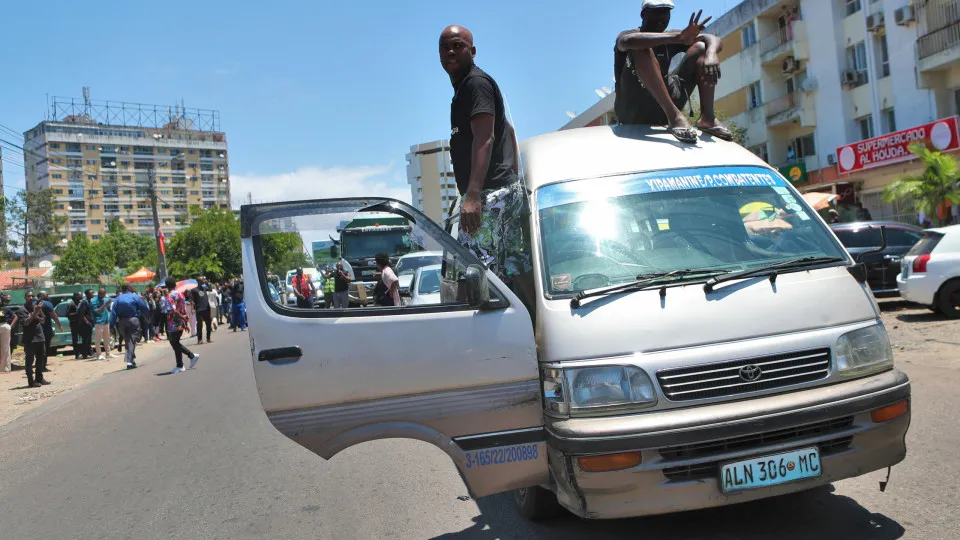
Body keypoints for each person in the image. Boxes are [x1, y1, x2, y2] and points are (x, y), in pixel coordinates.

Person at [439, 25, 535, 302]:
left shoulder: (475, 83)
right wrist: (512, 175)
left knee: (475, 278)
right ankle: (532, 334)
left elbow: (485, 137)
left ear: (473, 50)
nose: (451, 52)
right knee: (515, 271)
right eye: (445, 48)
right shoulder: (466, 88)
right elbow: (508, 130)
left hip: (487, 196)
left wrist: (472, 195)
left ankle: (482, 342)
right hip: (499, 191)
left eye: (458, 45)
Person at [613, 1, 730, 143]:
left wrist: (711, 54)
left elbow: (713, 38)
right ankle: (674, 116)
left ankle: (708, 119)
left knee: (701, 48)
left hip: (661, 108)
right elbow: (626, 42)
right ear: (643, 14)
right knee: (641, 47)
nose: (662, 17)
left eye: (666, 12)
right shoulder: (630, 35)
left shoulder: (672, 35)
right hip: (633, 111)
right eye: (657, 12)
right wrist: (678, 38)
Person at [162, 277, 199, 374]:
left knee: (174, 343)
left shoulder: (170, 295)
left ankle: (182, 364)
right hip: (180, 321)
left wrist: (182, 318)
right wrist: (184, 320)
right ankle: (190, 357)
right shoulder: (180, 294)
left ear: (166, 285)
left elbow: (172, 310)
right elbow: (183, 309)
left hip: (173, 322)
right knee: (175, 343)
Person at [110, 284, 149, 370]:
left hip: (122, 322)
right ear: (128, 288)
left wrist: (111, 325)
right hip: (133, 320)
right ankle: (129, 362)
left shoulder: (117, 299)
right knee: (131, 341)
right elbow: (144, 308)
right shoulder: (135, 297)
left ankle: (131, 359)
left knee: (128, 341)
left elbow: (113, 313)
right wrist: (147, 318)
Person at [22, 291, 49, 387]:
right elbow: (26, 322)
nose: (31, 297)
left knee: (40, 359)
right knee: (29, 360)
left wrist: (36, 314)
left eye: (32, 296)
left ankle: (39, 378)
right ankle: (31, 381)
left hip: (40, 337)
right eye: (29, 296)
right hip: (30, 339)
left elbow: (43, 320)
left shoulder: (37, 307)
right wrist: (35, 313)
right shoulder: (22, 309)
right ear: (25, 297)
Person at [37, 291, 63, 367]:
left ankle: (38, 364)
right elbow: (54, 316)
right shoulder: (47, 304)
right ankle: (43, 365)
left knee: (37, 347)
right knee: (45, 347)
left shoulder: (33, 303)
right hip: (45, 328)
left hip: (35, 329)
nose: (48, 295)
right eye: (47, 294)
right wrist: (59, 325)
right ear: (41, 295)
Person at [89, 288, 113, 360]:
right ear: (99, 293)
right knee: (98, 340)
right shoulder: (93, 301)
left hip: (106, 322)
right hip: (99, 322)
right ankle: (99, 355)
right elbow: (97, 311)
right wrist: (105, 305)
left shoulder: (105, 299)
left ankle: (108, 353)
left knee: (107, 339)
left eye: (104, 294)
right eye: (102, 294)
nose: (103, 295)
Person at [191, 280, 213, 344]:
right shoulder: (194, 290)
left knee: (208, 324)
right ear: (198, 282)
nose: (202, 282)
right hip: (199, 309)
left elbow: (210, 289)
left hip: (206, 308)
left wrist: (207, 283)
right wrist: (192, 308)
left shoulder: (205, 288)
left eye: (203, 281)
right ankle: (199, 339)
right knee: (200, 325)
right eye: (201, 281)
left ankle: (208, 338)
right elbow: (192, 299)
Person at [0, 294, 16, 373]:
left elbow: (15, 316)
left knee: (5, 348)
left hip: (4, 326)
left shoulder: (5, 308)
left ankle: (5, 368)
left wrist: (10, 326)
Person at [66, 292, 84, 359]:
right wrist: (76, 313)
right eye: (80, 295)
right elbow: (67, 314)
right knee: (75, 339)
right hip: (74, 323)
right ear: (76, 296)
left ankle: (84, 352)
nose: (82, 296)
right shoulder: (71, 304)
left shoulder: (80, 303)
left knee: (84, 338)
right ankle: (77, 354)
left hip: (80, 323)